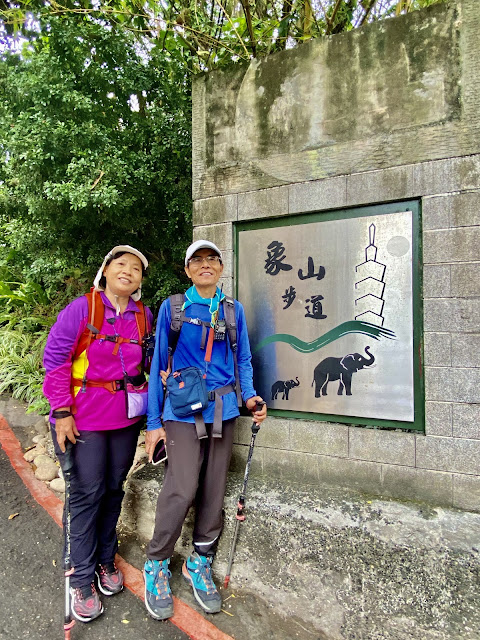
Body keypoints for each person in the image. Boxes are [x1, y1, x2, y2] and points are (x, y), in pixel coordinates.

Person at [144, 240, 267, 620]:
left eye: (211, 259)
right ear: (187, 270)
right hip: (181, 411)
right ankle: (157, 563)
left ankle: (199, 562)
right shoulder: (174, 309)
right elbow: (157, 366)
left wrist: (249, 398)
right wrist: (153, 423)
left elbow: (243, 356)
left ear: (220, 267)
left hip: (224, 409)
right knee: (181, 488)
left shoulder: (233, 310)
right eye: (197, 260)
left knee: (214, 489)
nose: (205, 265)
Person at [43, 245, 153, 623]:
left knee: (113, 488)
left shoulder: (144, 315)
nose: (128, 271)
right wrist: (61, 413)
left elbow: (149, 365)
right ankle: (82, 577)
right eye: (120, 264)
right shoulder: (83, 309)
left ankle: (107, 559)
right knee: (86, 493)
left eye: (136, 268)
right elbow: (56, 358)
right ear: (105, 271)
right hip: (84, 416)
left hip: (125, 418)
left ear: (140, 280)